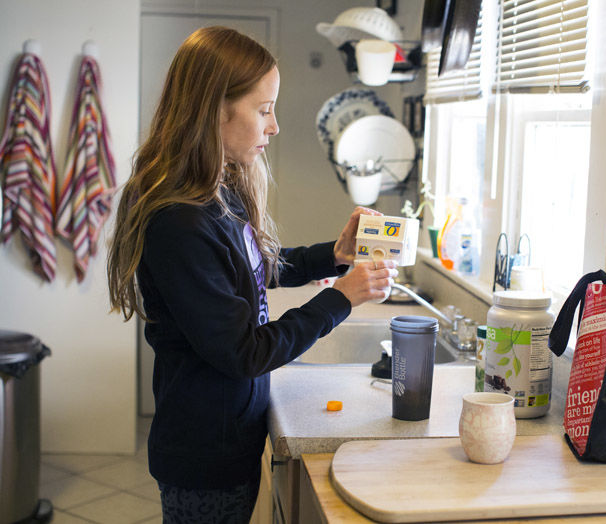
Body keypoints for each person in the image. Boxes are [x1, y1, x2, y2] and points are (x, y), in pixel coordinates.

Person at [106, 26, 396, 523]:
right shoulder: (178, 219)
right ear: (215, 108)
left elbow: (254, 266)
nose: (274, 126)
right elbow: (246, 352)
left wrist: (336, 255)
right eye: (264, 110)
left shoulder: (217, 189)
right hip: (203, 453)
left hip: (229, 437)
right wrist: (341, 300)